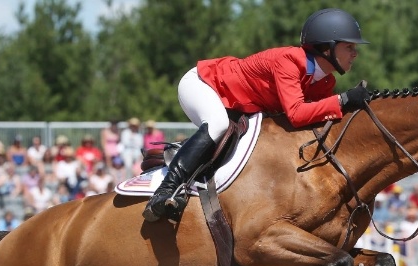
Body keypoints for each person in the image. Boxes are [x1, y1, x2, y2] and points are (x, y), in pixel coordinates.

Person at [143, 8, 371, 222]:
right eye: (349, 47)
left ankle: (180, 153)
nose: (355, 53)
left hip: (237, 106)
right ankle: (164, 192)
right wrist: (343, 100)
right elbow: (297, 114)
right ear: (326, 48)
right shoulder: (289, 61)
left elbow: (316, 119)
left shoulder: (325, 81)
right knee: (218, 124)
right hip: (204, 85)